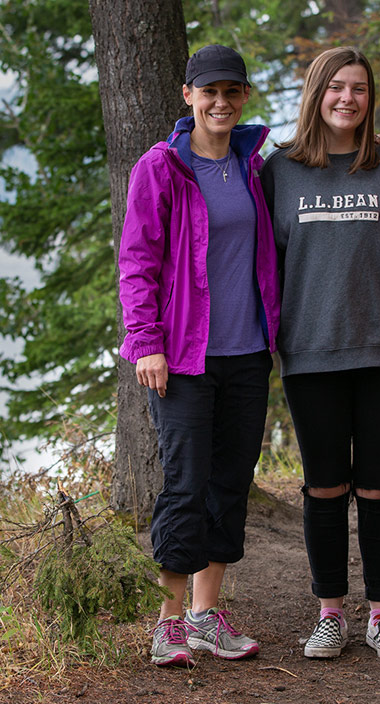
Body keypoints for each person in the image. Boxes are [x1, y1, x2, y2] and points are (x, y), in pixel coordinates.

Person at [260, 46, 380, 661]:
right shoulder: (279, 172)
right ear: (316, 93)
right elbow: (261, 268)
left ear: (370, 97)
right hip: (309, 355)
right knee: (324, 488)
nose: (347, 98)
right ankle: (331, 612)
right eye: (336, 87)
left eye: (359, 89)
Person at [118, 44, 280, 667]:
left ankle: (207, 614)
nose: (220, 102)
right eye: (208, 92)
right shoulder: (161, 166)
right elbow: (136, 263)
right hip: (181, 358)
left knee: (230, 484)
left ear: (243, 98)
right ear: (188, 96)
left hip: (247, 353)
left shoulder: (252, 165)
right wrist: (148, 343)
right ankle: (169, 623)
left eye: (231, 92)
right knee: (185, 485)